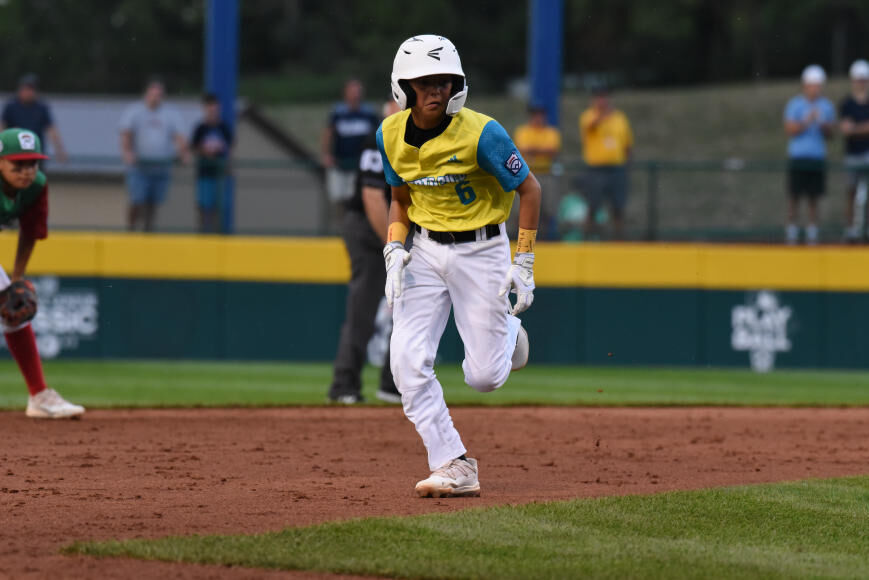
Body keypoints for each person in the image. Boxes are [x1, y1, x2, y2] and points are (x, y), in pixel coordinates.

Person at [378, 35, 540, 497]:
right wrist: (394, 248)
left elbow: (531, 190)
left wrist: (523, 260)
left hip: (482, 249)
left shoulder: (483, 133)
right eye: (424, 82)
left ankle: (509, 333)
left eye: (444, 81)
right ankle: (453, 462)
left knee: (484, 378)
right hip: (424, 251)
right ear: (403, 87)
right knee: (406, 362)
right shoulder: (388, 134)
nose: (436, 90)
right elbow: (399, 200)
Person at [0, 128, 84, 418]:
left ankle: (38, 395)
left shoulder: (35, 187)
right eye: (17, 165)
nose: (26, 172)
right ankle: (39, 394)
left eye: (31, 164)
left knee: (13, 305)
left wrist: (17, 277)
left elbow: (30, 232)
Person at [328, 101, 403, 405]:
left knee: (409, 308)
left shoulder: (418, 139)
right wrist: (392, 244)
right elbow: (372, 198)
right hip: (367, 228)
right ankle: (344, 385)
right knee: (364, 305)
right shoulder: (379, 138)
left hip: (393, 228)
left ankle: (393, 383)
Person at [119, 78, 189, 232]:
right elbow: (126, 135)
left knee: (153, 203)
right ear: (146, 94)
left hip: (160, 166)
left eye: (159, 95)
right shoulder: (134, 111)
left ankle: (148, 232)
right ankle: (130, 230)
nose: (156, 98)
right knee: (137, 200)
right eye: (153, 94)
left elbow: (179, 137)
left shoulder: (170, 114)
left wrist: (183, 152)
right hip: (140, 166)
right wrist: (128, 153)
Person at [783, 65, 836, 245]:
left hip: (817, 157)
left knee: (814, 197)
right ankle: (792, 231)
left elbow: (831, 134)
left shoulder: (826, 106)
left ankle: (812, 232)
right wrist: (806, 120)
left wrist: (822, 124)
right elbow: (790, 129)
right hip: (798, 157)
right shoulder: (795, 104)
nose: (815, 89)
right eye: (812, 85)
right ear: (805, 85)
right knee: (794, 196)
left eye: (818, 85)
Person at [321, 80, 380, 231]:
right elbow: (328, 133)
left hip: (359, 165)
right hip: (340, 164)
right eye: (352, 91)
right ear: (345, 93)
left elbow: (377, 134)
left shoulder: (368, 113)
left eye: (358, 91)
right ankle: (341, 229)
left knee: (358, 198)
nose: (356, 95)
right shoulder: (338, 113)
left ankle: (358, 228)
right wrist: (327, 154)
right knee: (338, 199)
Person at [579, 85, 633, 240]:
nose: (602, 100)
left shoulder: (620, 118)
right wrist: (603, 115)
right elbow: (590, 126)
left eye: (604, 97)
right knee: (593, 206)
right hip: (596, 169)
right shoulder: (588, 116)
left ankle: (619, 241)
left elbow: (628, 144)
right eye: (599, 97)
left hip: (617, 168)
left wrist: (627, 165)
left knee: (618, 207)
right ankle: (587, 241)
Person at [513, 105, 561, 238]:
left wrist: (533, 151)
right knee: (521, 210)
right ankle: (521, 239)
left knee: (547, 209)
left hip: (546, 174)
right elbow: (522, 150)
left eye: (540, 114)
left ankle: (545, 238)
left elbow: (552, 151)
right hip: (526, 175)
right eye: (535, 114)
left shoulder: (551, 132)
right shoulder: (523, 131)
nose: (538, 118)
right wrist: (541, 151)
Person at [190, 94, 233, 233]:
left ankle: (216, 236)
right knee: (203, 208)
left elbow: (230, 149)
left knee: (218, 208)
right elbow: (194, 148)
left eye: (215, 108)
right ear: (205, 109)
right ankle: (203, 235)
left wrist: (228, 166)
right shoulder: (200, 128)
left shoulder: (224, 127)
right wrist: (205, 152)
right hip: (204, 173)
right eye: (209, 108)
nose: (212, 111)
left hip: (219, 174)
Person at [1, 74, 68, 163]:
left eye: (31, 89)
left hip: (35, 152)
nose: (28, 92)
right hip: (14, 152)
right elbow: (2, 127)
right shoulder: (11, 106)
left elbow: (51, 130)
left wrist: (59, 150)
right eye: (26, 89)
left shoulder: (41, 107)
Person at [840, 59, 869, 242]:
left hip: (867, 154)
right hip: (852, 155)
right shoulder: (847, 103)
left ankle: (864, 229)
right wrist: (862, 128)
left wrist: (854, 129)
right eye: (858, 79)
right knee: (851, 192)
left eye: (863, 79)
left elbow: (851, 129)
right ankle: (851, 230)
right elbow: (845, 129)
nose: (861, 82)